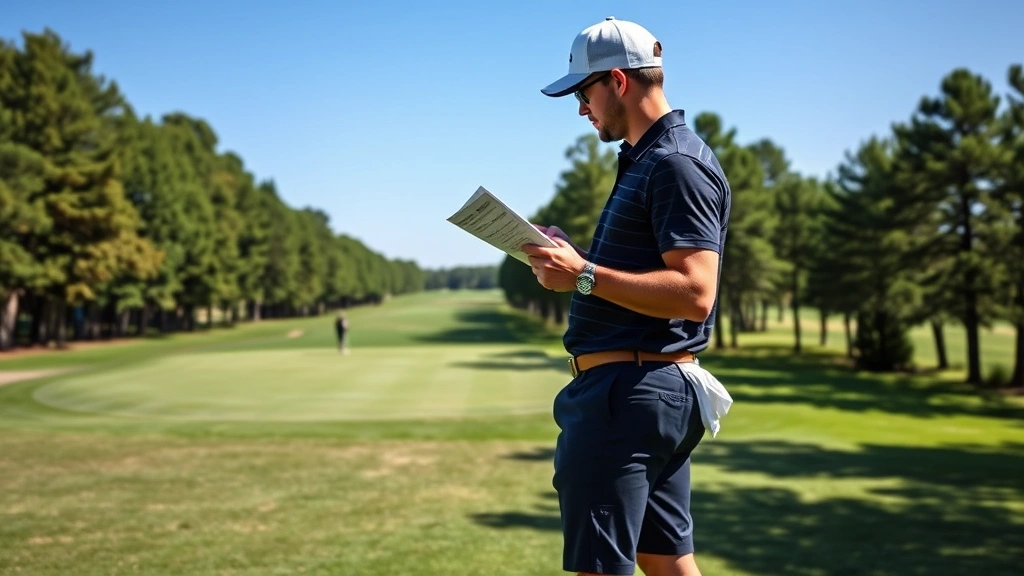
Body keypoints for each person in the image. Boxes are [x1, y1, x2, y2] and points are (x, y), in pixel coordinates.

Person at [522, 17, 734, 576]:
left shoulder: (673, 166)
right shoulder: (649, 162)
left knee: (602, 567)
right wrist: (573, 259)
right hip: (642, 392)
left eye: (583, 93)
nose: (580, 109)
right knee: (665, 562)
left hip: (628, 396)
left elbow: (694, 293)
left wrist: (583, 275)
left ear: (617, 81)